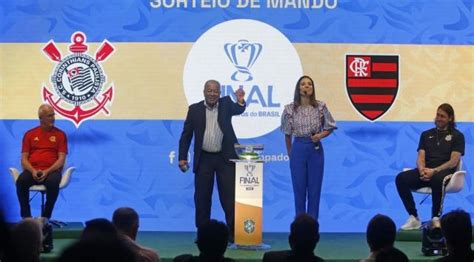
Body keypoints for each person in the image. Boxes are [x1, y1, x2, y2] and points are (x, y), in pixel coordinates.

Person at [178, 80, 245, 242]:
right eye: (210, 90)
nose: (213, 94)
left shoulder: (227, 104)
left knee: (229, 197)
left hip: (225, 158)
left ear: (220, 93)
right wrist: (182, 157)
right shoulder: (194, 110)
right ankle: (202, 234)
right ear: (204, 91)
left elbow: (239, 109)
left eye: (216, 91)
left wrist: (241, 100)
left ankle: (233, 233)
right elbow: (186, 135)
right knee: (202, 198)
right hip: (204, 159)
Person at [396, 103, 465, 230]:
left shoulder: (458, 136)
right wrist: (422, 169)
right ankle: (414, 217)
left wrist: (434, 171)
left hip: (445, 171)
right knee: (401, 178)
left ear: (450, 118)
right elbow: (420, 157)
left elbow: (454, 161)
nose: (438, 118)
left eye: (442, 116)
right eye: (437, 115)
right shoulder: (426, 135)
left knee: (437, 178)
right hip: (427, 170)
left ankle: (436, 218)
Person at [281, 75, 337, 220]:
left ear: (313, 88)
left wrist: (320, 136)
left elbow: (330, 127)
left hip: (315, 149)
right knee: (299, 189)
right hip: (298, 148)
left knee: (314, 189)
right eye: (303, 84)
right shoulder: (289, 110)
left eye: (309, 84)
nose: (306, 86)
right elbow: (287, 135)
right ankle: (299, 224)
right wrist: (291, 154)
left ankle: (312, 225)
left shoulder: (321, 106)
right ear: (298, 88)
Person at [16, 104, 68, 219]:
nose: (53, 118)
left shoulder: (60, 135)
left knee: (53, 182)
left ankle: (45, 217)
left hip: (52, 171)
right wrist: (33, 171)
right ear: (41, 118)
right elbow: (24, 159)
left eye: (53, 115)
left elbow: (61, 159)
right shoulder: (29, 134)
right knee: (21, 181)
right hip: (32, 170)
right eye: (50, 116)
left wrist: (47, 171)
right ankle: (26, 218)